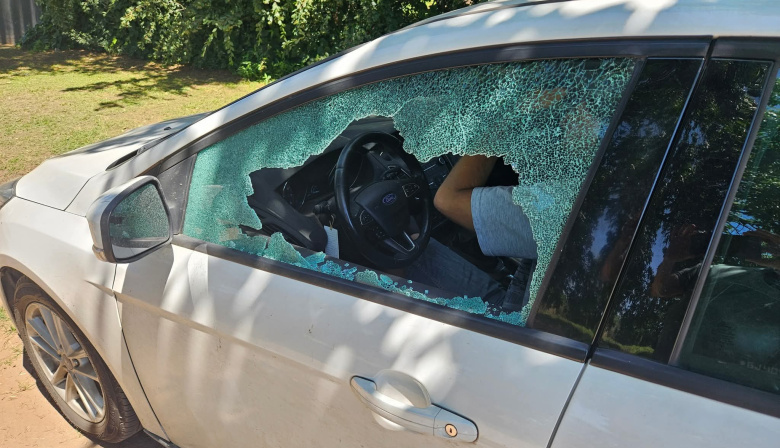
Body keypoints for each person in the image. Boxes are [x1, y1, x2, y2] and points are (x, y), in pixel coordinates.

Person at [406, 155, 538, 307]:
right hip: (533, 294)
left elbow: (447, 200)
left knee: (408, 249)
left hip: (519, 315)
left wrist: (489, 140)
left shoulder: (553, 207)